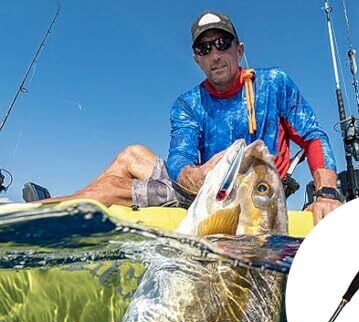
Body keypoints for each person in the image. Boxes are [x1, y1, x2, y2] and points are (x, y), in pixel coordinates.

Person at [42, 10, 342, 224]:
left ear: (239, 50)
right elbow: (180, 157)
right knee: (131, 155)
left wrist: (327, 192)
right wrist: (193, 176)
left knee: (109, 189)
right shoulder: (187, 103)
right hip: (204, 190)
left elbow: (313, 136)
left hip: (252, 198)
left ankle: (51, 209)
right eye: (204, 48)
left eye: (222, 44)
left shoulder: (275, 83)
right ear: (197, 59)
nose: (215, 55)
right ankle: (56, 209)